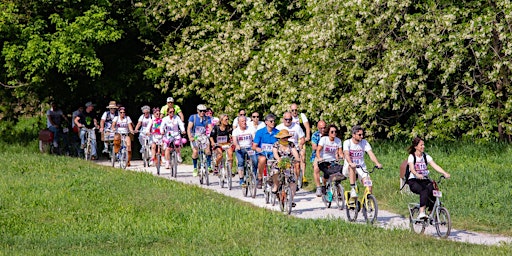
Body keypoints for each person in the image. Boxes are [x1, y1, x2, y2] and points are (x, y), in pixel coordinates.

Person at [407, 137, 451, 219]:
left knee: (434, 191)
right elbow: (412, 169)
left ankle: (431, 214)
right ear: (416, 147)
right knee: (424, 190)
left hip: (424, 179)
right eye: (421, 145)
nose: (423, 146)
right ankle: (421, 212)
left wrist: (444, 173)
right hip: (414, 181)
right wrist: (417, 174)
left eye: (424, 145)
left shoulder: (426, 156)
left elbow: (435, 166)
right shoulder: (412, 156)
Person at [343, 125, 382, 198]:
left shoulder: (364, 142)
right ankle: (353, 189)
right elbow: (346, 154)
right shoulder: (347, 142)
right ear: (353, 135)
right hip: (349, 167)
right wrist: (350, 163)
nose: (362, 136)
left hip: (361, 168)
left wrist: (377, 163)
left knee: (369, 186)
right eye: (359, 134)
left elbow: (371, 154)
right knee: (352, 167)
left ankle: (366, 203)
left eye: (362, 134)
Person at [276, 111, 306, 186]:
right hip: (282, 147)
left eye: (289, 119)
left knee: (297, 163)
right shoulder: (279, 127)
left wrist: (300, 145)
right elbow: (275, 139)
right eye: (286, 119)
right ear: (283, 119)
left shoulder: (296, 127)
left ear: (292, 119)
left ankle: (297, 179)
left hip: (294, 147)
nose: (288, 121)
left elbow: (302, 138)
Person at [271, 129, 300, 206]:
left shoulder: (291, 144)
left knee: (293, 181)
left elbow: (295, 153)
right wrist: (278, 159)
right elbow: (275, 153)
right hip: (278, 163)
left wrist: (297, 159)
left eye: (287, 137)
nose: (285, 138)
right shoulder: (276, 144)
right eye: (283, 137)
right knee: (275, 172)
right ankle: (276, 186)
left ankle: (291, 200)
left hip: (288, 164)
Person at [252, 113, 280, 189]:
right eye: (271, 121)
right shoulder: (260, 132)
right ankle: (260, 177)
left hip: (273, 153)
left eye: (274, 121)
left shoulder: (277, 132)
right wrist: (257, 148)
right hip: (262, 153)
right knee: (262, 159)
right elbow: (254, 146)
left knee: (277, 162)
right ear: (266, 122)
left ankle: (274, 180)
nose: (273, 123)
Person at [315, 124, 343, 196]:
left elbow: (340, 152)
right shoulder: (324, 139)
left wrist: (342, 157)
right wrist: (319, 158)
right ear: (328, 133)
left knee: (340, 171)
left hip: (333, 160)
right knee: (327, 173)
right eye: (332, 132)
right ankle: (323, 185)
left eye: (335, 132)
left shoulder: (338, 141)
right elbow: (318, 150)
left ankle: (337, 187)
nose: (334, 133)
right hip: (323, 160)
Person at [187, 104, 213, 177]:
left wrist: (212, 136)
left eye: (204, 111)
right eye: (201, 111)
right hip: (195, 136)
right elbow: (189, 128)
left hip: (203, 136)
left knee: (207, 150)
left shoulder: (207, 118)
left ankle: (209, 165)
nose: (202, 112)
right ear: (197, 111)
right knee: (195, 152)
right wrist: (190, 137)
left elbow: (210, 128)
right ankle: (195, 168)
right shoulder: (193, 117)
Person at [232, 115, 257, 185]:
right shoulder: (236, 131)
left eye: (245, 121)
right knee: (241, 162)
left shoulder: (250, 129)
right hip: (240, 148)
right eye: (242, 121)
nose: (244, 122)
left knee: (255, 160)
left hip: (249, 148)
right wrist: (237, 145)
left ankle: (254, 176)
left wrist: (254, 145)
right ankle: (241, 179)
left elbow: (254, 138)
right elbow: (234, 140)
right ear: (239, 123)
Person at [311, 120, 326, 196]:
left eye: (324, 128)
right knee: (316, 168)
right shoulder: (315, 135)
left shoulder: (329, 134)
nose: (323, 130)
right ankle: (318, 187)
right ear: (318, 128)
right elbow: (314, 147)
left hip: (328, 154)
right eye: (321, 128)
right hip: (317, 154)